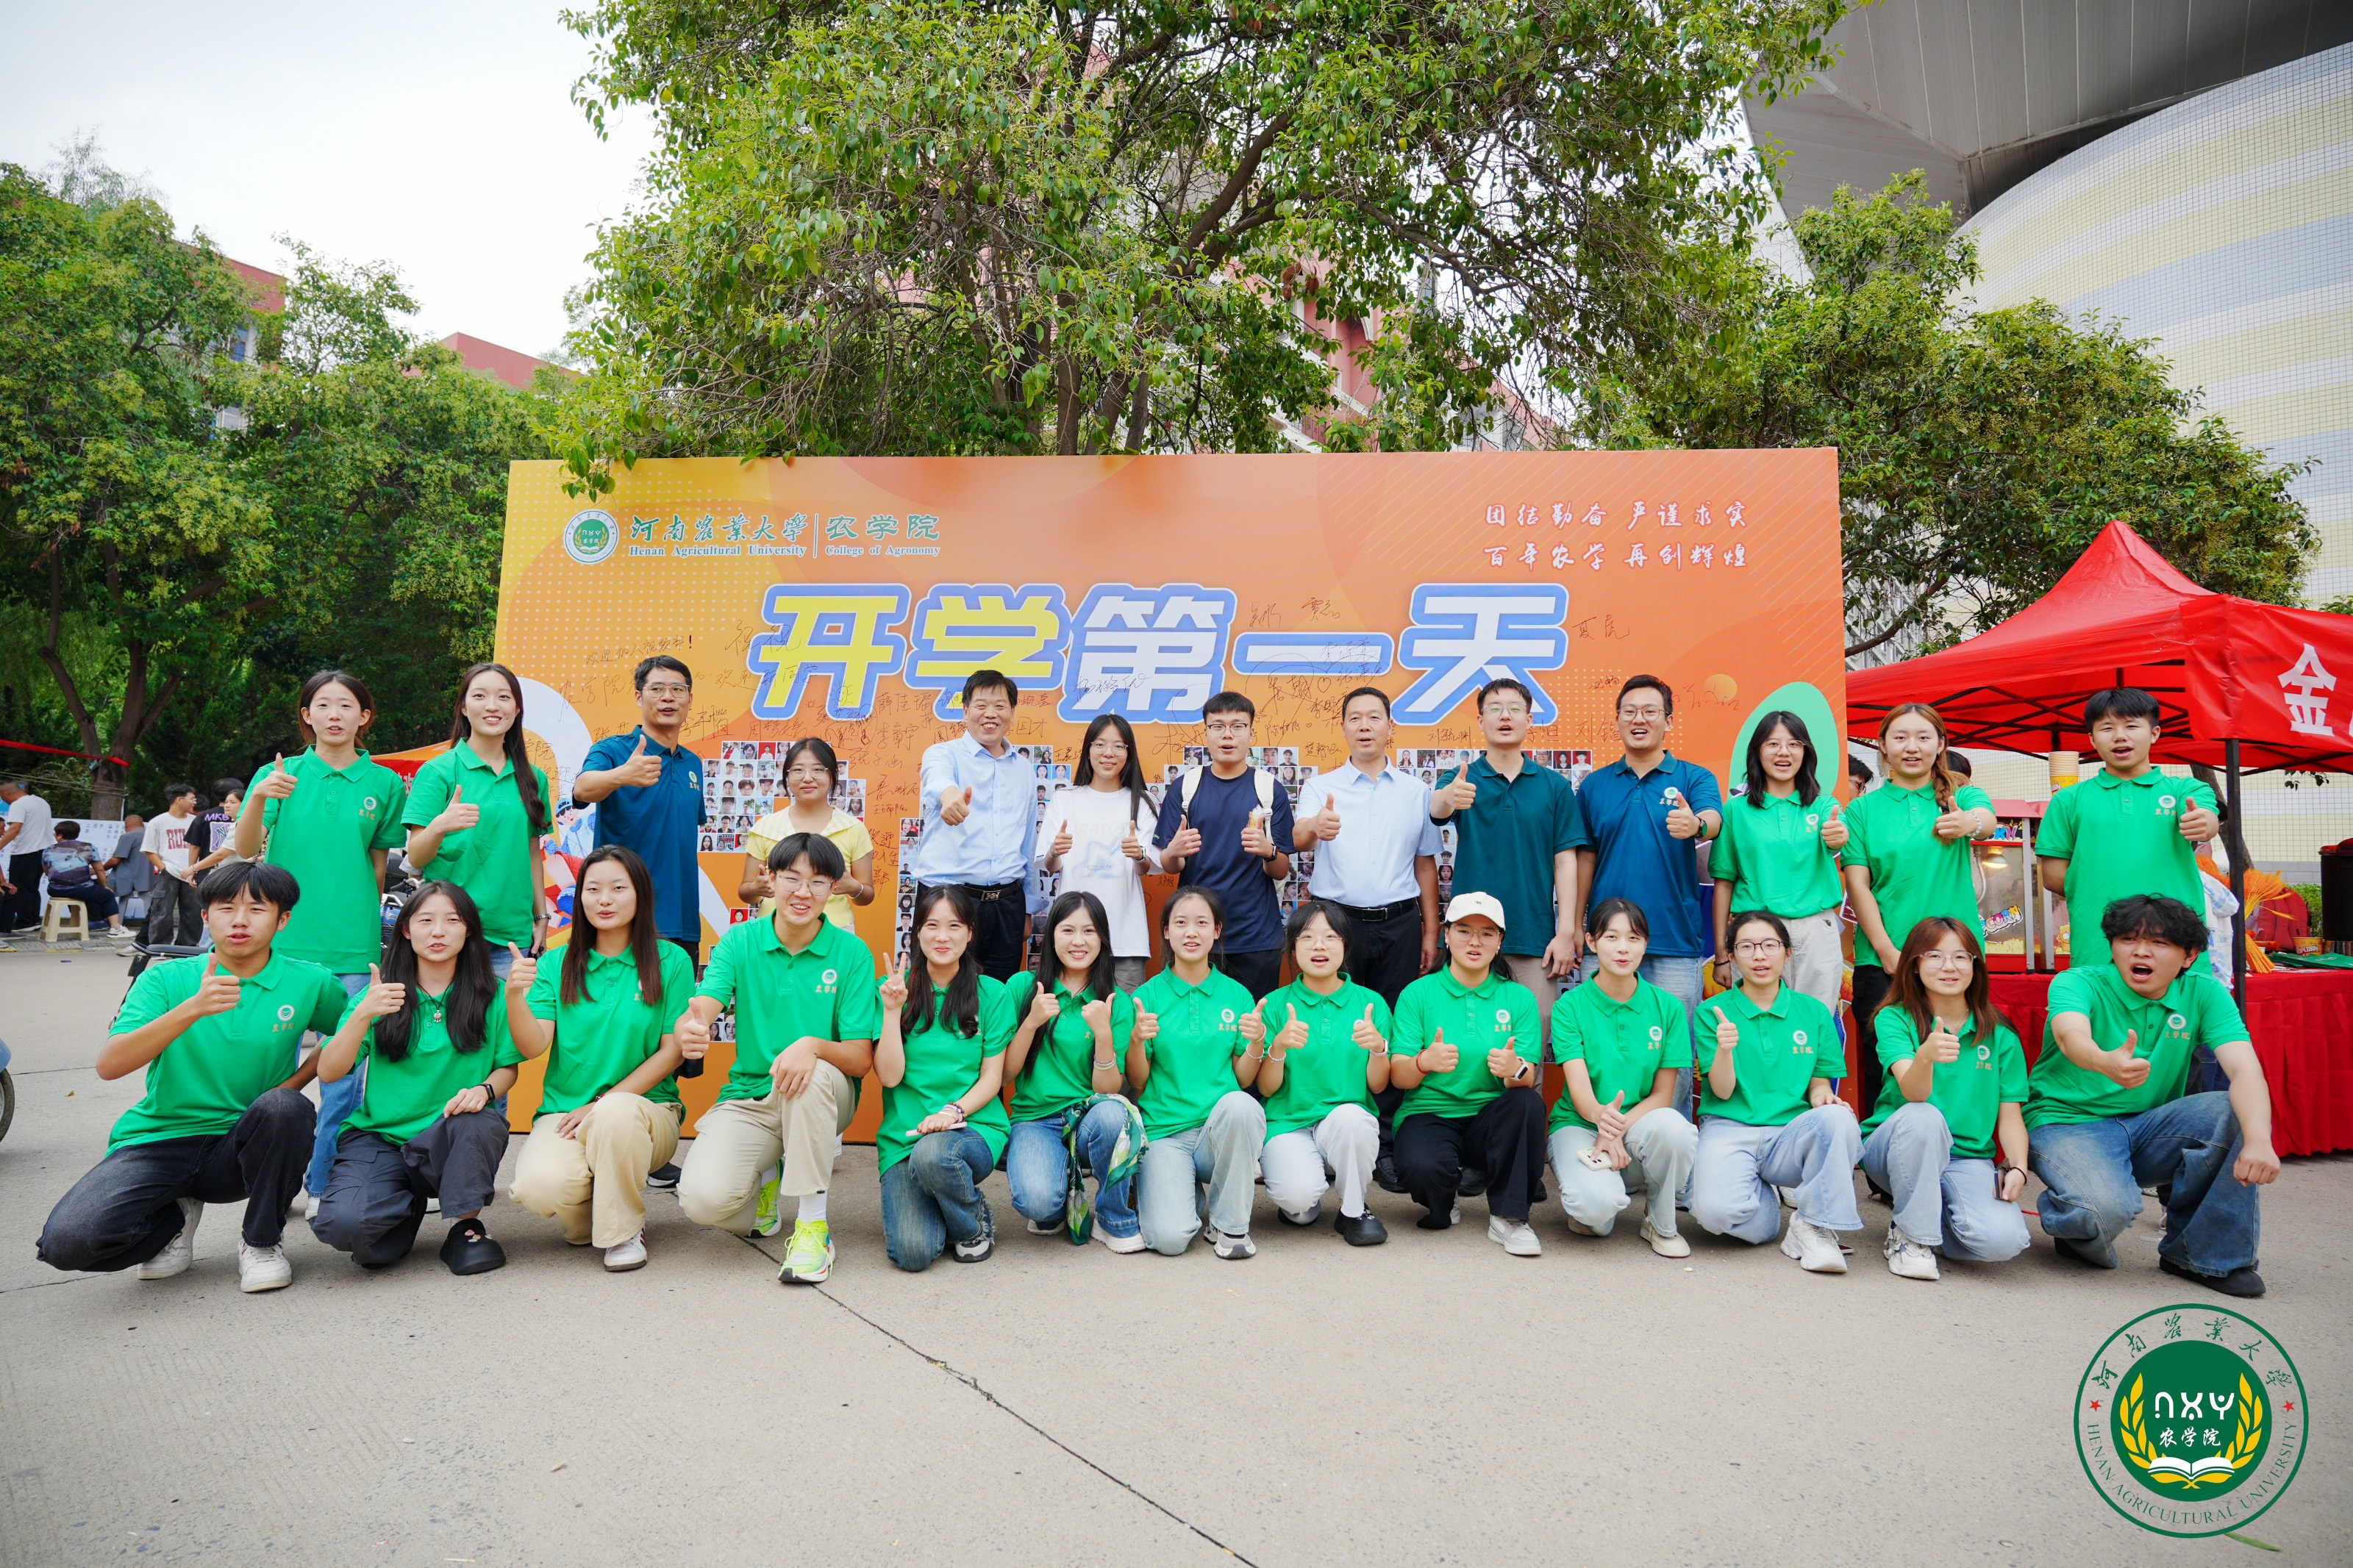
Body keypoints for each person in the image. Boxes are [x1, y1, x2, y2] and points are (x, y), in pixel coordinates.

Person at [35, 862, 342, 1292]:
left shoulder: (311, 982)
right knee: (67, 1245)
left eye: (257, 909)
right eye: (226, 908)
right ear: (205, 917)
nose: (239, 921)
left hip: (242, 1143)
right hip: (159, 1140)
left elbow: (349, 1035)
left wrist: (299, 1077)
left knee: (286, 1108)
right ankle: (173, 1220)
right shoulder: (164, 979)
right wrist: (193, 1008)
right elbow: (110, 1066)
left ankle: (261, 1242)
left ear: (282, 919)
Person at [2025, 894, 2278, 1297]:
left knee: (2234, 1112)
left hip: (2150, 1125)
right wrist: (2104, 1061)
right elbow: (2070, 1035)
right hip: (2066, 1123)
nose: (2141, 951)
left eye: (2159, 943)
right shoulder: (2078, 982)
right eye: (2128, 939)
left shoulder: (2205, 993)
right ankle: (2072, 1217)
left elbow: (2245, 1070)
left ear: (2189, 956)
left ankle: (2205, 1257)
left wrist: (2260, 1141)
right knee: (2105, 1209)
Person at [235, 670, 412, 1215]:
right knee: (273, 1070)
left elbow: (378, 867)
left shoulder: (385, 784)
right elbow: (245, 848)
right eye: (323, 705)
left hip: (353, 948)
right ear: (306, 715)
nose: (335, 714)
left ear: (365, 716)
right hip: (282, 945)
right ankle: (270, 1181)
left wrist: (369, 932)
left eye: (347, 705)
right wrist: (258, 797)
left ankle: (321, 1181)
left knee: (345, 1076)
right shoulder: (278, 774)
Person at [674, 831, 879, 1284]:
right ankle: (767, 1181)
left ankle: (812, 1227)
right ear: (770, 879)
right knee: (703, 1201)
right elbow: (705, 1003)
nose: (803, 893)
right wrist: (693, 1024)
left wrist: (812, 1045)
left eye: (818, 882)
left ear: (834, 889)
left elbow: (860, 1059)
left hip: (824, 1095)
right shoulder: (739, 941)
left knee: (811, 1072)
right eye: (792, 878)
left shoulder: (851, 953)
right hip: (752, 1096)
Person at [312, 881, 520, 1275]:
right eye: (426, 921)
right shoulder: (379, 995)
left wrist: (485, 1089)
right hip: (382, 1138)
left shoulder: (492, 993)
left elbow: (508, 1067)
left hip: (450, 1134)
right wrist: (363, 1015)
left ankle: (465, 1227)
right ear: (406, 929)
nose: (438, 931)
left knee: (480, 1121)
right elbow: (330, 1071)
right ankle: (403, 1204)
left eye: (452, 920)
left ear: (469, 930)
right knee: (350, 1232)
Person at [507, 845, 692, 1272]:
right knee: (538, 1188)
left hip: (647, 1112)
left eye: (618, 888)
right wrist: (514, 996)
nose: (604, 900)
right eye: (593, 890)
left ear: (640, 894)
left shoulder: (671, 961)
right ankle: (598, 1212)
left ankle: (623, 1231)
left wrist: (600, 1104)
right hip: (566, 1114)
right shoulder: (556, 963)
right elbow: (533, 1046)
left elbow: (672, 1052)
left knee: (616, 1113)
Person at [1841, 702, 1996, 1113]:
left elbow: (1987, 819)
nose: (1912, 747)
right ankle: (1885, 1150)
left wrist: (1970, 823)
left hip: (1957, 960)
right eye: (1901, 737)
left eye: (1924, 737)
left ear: (1940, 744)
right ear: (1882, 745)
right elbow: (1859, 885)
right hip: (1883, 962)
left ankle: (1962, 1146)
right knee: (1886, 1071)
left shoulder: (1959, 795)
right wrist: (1887, 951)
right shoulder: (1862, 809)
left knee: (1960, 1065)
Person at [1574, 675, 1722, 1102]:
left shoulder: (1693, 778)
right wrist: (1578, 927)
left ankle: (1671, 1138)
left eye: (1650, 711)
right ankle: (1603, 1135)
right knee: (1602, 1048)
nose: (1639, 719)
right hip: (1605, 941)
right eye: (1630, 712)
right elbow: (1585, 859)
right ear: (1618, 720)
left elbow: (1713, 819)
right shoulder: (1595, 786)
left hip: (1674, 942)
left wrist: (1696, 825)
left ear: (1668, 721)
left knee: (1673, 1057)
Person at [1857, 917, 2031, 1281]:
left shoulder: (2001, 1034)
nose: (1949, 967)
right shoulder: (1894, 1018)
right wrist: (1925, 1057)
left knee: (2003, 1242)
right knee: (1925, 1115)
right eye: (1934, 956)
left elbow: (2010, 1116)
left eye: (1960, 957)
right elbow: (1915, 1094)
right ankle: (1911, 1237)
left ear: (1975, 966)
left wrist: (2018, 1167)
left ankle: (1926, 1217)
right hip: (1895, 1150)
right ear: (1914, 965)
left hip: (1966, 1158)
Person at [1688, 911, 1862, 1272]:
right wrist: (1724, 1049)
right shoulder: (1711, 1012)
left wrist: (1822, 1098)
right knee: (1715, 1215)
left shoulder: (1813, 1012)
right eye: (1746, 947)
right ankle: (1767, 1206)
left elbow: (1819, 1082)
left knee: (1838, 1117)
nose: (1759, 956)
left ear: (1788, 952)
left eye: (1770, 945)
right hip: (1730, 1128)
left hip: (1790, 1134)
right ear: (1732, 956)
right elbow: (1722, 1091)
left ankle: (1814, 1225)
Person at [1426, 679, 1585, 1053]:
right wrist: (1450, 796)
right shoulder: (1463, 777)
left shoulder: (1554, 786)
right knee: (1467, 1044)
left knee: (1530, 1046)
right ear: (1481, 720)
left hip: (1534, 937)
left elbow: (1566, 860)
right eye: (1495, 709)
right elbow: (1438, 807)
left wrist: (1566, 932)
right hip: (1471, 937)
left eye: (1515, 709)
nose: (1505, 716)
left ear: (1529, 720)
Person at [1387, 892, 1548, 1255]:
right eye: (1464, 931)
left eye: (1487, 934)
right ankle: (1444, 1198)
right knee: (1422, 1169)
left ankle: (1510, 1218)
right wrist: (1423, 1062)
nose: (1475, 942)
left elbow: (1526, 1076)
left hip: (1492, 1117)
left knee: (1526, 1103)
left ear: (1500, 941)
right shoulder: (1417, 993)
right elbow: (1398, 1077)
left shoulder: (1519, 998)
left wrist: (1515, 1069)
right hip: (1430, 1113)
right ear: (1446, 935)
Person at [873, 886, 1013, 1271]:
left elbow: (993, 1078)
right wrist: (892, 1012)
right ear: (917, 931)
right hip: (906, 1138)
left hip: (972, 1128)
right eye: (932, 925)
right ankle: (943, 1197)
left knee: (934, 1155)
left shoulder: (992, 994)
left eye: (954, 926)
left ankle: (972, 1223)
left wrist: (952, 1112)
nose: (942, 936)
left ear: (970, 933)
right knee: (913, 1253)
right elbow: (889, 1077)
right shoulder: (893, 989)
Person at [1547, 898, 1697, 1258]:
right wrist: (1601, 1120)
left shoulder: (1668, 1007)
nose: (1623, 948)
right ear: (1592, 942)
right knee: (1595, 1213)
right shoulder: (1569, 1007)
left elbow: (1663, 1095)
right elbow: (1580, 1092)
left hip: (1638, 1127)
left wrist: (1615, 1128)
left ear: (1645, 944)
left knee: (1676, 1130)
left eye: (1634, 938)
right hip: (1581, 1124)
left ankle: (1660, 1222)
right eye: (1611, 937)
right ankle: (1599, 1203)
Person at [1129, 887, 1266, 1258]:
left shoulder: (1237, 995)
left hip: (1217, 1134)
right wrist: (1137, 1041)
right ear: (1167, 931)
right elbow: (1138, 1081)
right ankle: (1184, 1191)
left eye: (1202, 923)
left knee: (1242, 1106)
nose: (1191, 932)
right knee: (1169, 1240)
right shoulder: (1147, 996)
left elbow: (1245, 1080)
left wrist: (1257, 1043)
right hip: (1165, 1133)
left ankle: (1229, 1227)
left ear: (1217, 931)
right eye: (1181, 923)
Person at [1004, 889, 1143, 1250]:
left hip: (1089, 1118)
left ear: (1103, 939)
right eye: (1067, 930)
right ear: (1051, 935)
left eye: (1089, 931)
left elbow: (1108, 1089)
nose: (1078, 941)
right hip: (1036, 1119)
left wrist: (1103, 1034)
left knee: (1115, 1115)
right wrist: (1031, 1022)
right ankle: (1056, 1198)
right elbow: (1005, 1075)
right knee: (1038, 1203)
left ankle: (1112, 1217)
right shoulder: (1022, 987)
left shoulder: (1116, 1000)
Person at [2038, 687, 2222, 959]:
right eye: (2107, 728)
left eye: (2132, 726)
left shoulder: (2185, 789)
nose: (2120, 736)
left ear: (2154, 733)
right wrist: (2105, 895)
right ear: (2092, 739)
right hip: (2097, 945)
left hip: (2174, 944)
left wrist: (2203, 822)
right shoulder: (2067, 800)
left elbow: (2207, 817)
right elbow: (2053, 876)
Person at [1252, 898, 1393, 1246]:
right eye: (1307, 937)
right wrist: (1278, 1048)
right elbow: (1267, 1090)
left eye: (1330, 937)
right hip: (1288, 1122)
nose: (1319, 946)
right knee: (1299, 1207)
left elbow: (1377, 1086)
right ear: (1292, 947)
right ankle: (1307, 1193)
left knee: (1352, 1120)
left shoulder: (1370, 1003)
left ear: (1345, 945)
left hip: (1345, 1122)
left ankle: (1354, 1211)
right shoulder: (1275, 1004)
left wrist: (1378, 1048)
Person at [1291, 687, 1440, 1005]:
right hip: (1334, 923)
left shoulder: (1417, 791)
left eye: (1374, 718)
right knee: (1332, 1013)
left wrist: (1431, 932)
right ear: (1343, 727)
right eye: (1355, 719)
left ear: (1390, 726)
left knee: (1394, 1016)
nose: (1364, 726)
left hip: (1400, 926)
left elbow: (1425, 865)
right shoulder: (1320, 787)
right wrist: (1316, 825)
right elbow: (1300, 838)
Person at [404, 662, 551, 970]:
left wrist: (541, 917)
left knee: (510, 1005)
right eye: (480, 696)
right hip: (449, 933)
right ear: (464, 708)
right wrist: (440, 826)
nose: (492, 706)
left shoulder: (534, 778)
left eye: (504, 697)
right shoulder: (437, 772)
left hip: (512, 939)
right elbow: (416, 857)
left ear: (517, 709)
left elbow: (531, 853)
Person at [1152, 692, 1294, 998]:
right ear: (1206, 733)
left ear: (1251, 733)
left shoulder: (1270, 789)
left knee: (1253, 1022)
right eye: (1217, 726)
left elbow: (1282, 869)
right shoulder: (1185, 788)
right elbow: (1170, 865)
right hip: (1197, 935)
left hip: (1256, 936)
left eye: (1237, 726)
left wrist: (1268, 851)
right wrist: (1173, 851)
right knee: (1194, 1022)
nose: (1227, 735)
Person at [1709, 712, 1849, 1014]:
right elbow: (1724, 883)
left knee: (1816, 1020)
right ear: (1757, 752)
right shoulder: (1734, 811)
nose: (1784, 752)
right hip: (1756, 931)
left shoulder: (1825, 806)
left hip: (1816, 929)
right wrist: (1721, 955)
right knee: (1758, 1024)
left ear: (1806, 752)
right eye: (1773, 744)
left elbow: (1837, 835)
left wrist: (1837, 835)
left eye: (1794, 744)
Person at [572, 655, 709, 962]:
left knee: (678, 994)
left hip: (683, 919)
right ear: (639, 696)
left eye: (678, 689)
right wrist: (622, 775)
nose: (668, 697)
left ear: (689, 699)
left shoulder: (692, 763)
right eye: (657, 689)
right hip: (622, 918)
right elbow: (582, 789)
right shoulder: (613, 750)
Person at [910, 669, 1040, 981]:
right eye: (981, 705)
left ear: (1012, 712)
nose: (990, 714)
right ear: (966, 710)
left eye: (1000, 706)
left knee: (1000, 995)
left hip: (1007, 905)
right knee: (939, 992)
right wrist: (949, 796)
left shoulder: (1024, 769)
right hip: (949, 899)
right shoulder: (943, 754)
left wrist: (1028, 908)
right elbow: (937, 780)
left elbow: (1028, 842)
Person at [1040, 714, 1163, 992]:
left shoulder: (1143, 801)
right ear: (1088, 750)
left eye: (1119, 746)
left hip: (1125, 939)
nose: (1109, 753)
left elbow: (1147, 867)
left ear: (1129, 753)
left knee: (1124, 1015)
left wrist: (1138, 855)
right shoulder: (1065, 798)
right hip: (1073, 939)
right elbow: (1050, 865)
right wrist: (1054, 851)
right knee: (1069, 1015)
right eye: (1100, 744)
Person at [740, 737, 876, 932]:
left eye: (818, 770)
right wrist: (756, 889)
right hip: (774, 933)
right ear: (787, 777)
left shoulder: (853, 829)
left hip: (835, 934)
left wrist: (854, 887)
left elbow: (866, 896)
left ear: (832, 776)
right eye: (798, 770)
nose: (807, 778)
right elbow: (746, 892)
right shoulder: (765, 827)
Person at [140, 783, 204, 948]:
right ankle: (160, 947)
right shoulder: (158, 822)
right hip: (169, 872)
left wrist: (195, 868)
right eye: (192, 799)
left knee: (193, 913)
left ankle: (186, 947)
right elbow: (149, 850)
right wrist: (164, 869)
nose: (195, 802)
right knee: (162, 912)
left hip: (192, 873)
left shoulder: (196, 821)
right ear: (179, 800)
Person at [41, 820, 130, 937]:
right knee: (108, 895)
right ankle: (116, 928)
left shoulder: (48, 850)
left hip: (55, 890)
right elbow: (100, 870)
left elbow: (47, 872)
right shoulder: (88, 848)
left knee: (82, 891)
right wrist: (104, 886)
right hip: (82, 889)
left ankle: (84, 923)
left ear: (60, 835)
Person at [0, 778, 54, 933]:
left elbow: (15, 828)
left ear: (5, 792)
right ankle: (33, 920)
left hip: (25, 852)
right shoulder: (41, 802)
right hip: (43, 852)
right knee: (32, 888)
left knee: (19, 888)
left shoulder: (19, 804)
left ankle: (24, 922)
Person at [185, 778, 247, 878]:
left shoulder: (203, 816)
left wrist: (192, 868)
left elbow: (195, 846)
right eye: (227, 802)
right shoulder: (242, 824)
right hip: (228, 873)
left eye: (232, 802)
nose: (227, 805)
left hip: (229, 875)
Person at [104, 811, 153, 930]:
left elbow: (115, 860)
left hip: (129, 878)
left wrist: (101, 869)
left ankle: (114, 925)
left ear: (126, 826)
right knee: (148, 902)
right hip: (151, 878)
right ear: (142, 824)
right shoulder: (152, 835)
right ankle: (150, 927)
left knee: (116, 897)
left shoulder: (128, 836)